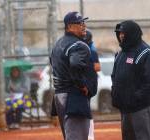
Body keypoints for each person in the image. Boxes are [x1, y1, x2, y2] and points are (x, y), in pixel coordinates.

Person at [50, 11, 97, 140]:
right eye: (79, 23)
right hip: (73, 95)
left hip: (60, 95)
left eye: (83, 23)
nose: (83, 26)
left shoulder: (58, 44)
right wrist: (82, 85)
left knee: (70, 136)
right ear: (69, 27)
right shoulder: (79, 45)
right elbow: (75, 65)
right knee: (78, 137)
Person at [111, 20, 150, 140]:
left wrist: (134, 98)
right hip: (126, 109)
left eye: (123, 33)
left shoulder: (146, 53)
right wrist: (116, 95)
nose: (121, 36)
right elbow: (114, 76)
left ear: (132, 33)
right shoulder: (121, 53)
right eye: (119, 33)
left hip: (141, 108)